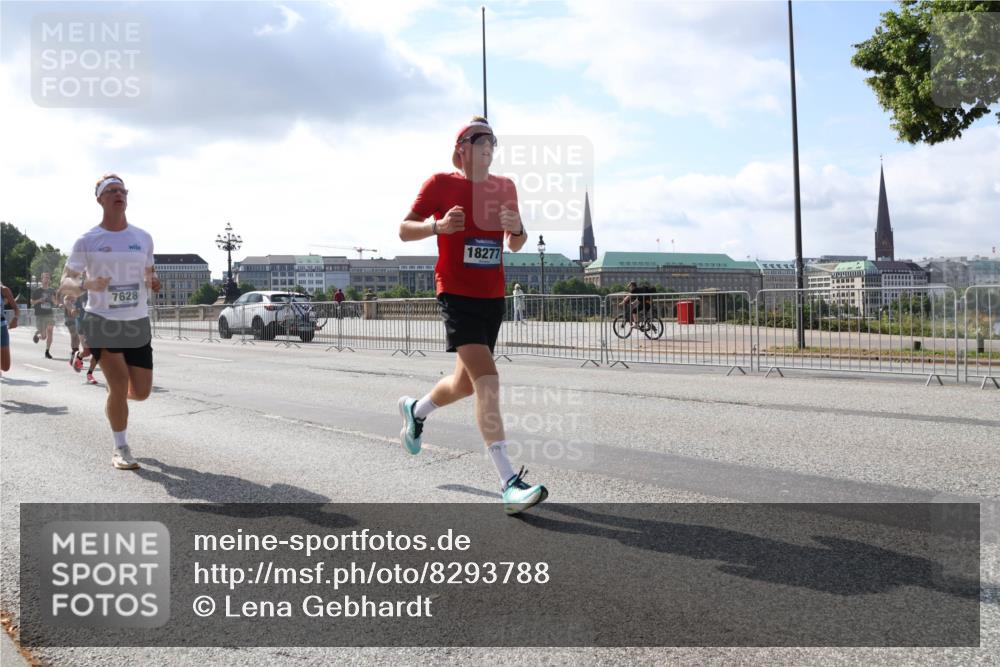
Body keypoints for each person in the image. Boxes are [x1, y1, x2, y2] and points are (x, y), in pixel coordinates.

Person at [397, 116, 548, 515]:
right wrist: (438, 227)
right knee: (488, 381)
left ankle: (416, 411)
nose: (488, 146)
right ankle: (508, 482)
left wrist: (517, 228)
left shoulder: (505, 187)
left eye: (493, 140)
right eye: (480, 139)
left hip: (491, 297)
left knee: (465, 384)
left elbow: (516, 243)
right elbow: (404, 229)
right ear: (461, 148)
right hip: (456, 295)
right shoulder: (440, 184)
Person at [60, 173, 160, 469]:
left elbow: (149, 273)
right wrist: (88, 285)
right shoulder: (88, 240)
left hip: (137, 321)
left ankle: (116, 399)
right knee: (118, 388)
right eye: (112, 190)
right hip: (102, 320)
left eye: (123, 190)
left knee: (140, 392)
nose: (119, 194)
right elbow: (65, 282)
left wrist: (153, 281)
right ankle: (121, 448)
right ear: (100, 199)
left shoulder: (142, 237)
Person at [30, 272, 56, 358]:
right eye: (45, 277)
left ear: (50, 280)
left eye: (48, 277)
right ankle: (37, 334)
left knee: (50, 331)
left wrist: (54, 300)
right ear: (41, 279)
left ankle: (47, 351)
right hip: (40, 315)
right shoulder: (37, 290)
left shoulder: (52, 290)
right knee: (43, 336)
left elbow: (56, 302)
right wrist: (39, 300)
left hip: (49, 314)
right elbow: (32, 302)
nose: (47, 279)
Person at [1, 282, 19, 373]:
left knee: (5, 367)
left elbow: (16, 308)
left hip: (1, 328)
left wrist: (15, 319)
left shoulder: (3, 290)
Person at [63, 293, 82, 363]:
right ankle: (75, 354)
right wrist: (71, 309)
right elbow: (66, 303)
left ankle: (74, 354)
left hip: (78, 317)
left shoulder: (81, 295)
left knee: (77, 337)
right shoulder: (68, 295)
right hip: (69, 318)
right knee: (74, 334)